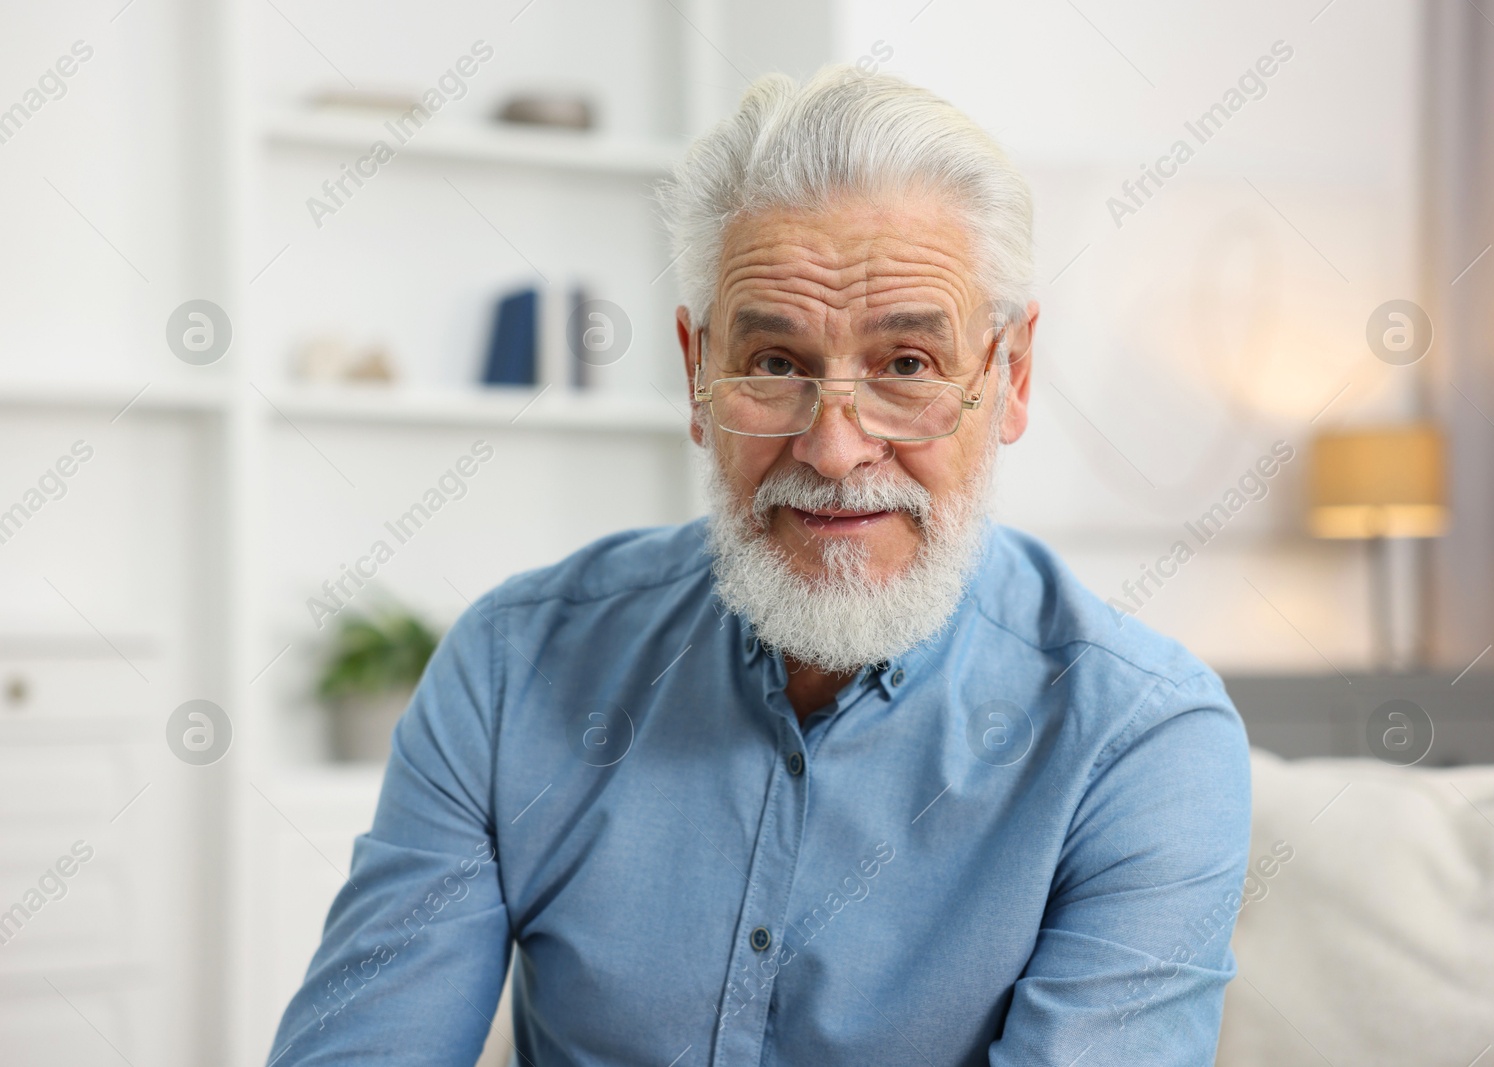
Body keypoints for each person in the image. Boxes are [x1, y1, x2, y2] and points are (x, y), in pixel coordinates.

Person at [267, 65, 1251, 1067]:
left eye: (906, 364)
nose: (833, 449)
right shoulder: (509, 666)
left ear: (1011, 375)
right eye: (775, 364)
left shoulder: (1143, 739)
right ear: (697, 373)